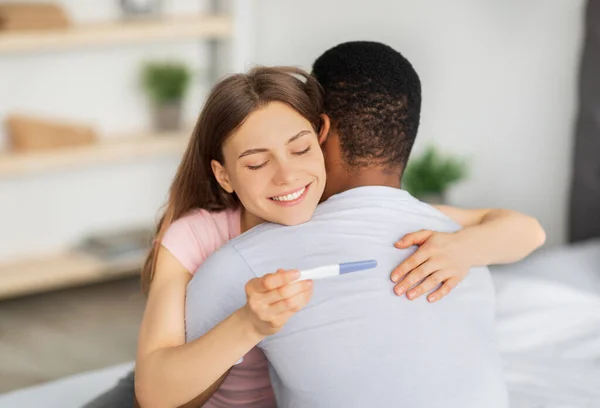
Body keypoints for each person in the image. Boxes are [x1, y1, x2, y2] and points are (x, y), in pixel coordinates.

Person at [84, 56, 544, 408]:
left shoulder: (340, 210)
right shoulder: (194, 237)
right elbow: (155, 389)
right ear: (224, 176)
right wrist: (249, 324)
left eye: (301, 149)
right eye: (257, 163)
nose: (286, 177)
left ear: (321, 138)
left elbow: (524, 230)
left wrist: (464, 247)